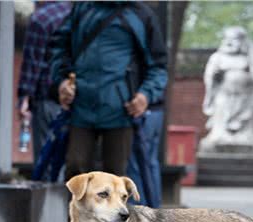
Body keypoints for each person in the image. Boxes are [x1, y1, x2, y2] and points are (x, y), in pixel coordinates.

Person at [49, 1, 167, 182]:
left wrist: (145, 94)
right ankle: (75, 212)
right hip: (81, 104)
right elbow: (58, 48)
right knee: (76, 171)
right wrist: (62, 81)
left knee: (116, 178)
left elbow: (159, 66)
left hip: (121, 108)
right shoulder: (83, 8)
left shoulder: (141, 14)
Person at [17, 1, 72, 162]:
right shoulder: (78, 14)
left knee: (46, 161)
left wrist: (24, 98)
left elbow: (34, 63)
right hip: (77, 98)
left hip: (48, 97)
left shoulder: (42, 19)